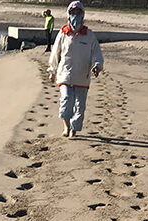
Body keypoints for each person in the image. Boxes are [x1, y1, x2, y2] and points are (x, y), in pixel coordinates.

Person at [47, 1, 103, 138]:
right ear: (68, 14)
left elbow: (97, 54)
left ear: (82, 15)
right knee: (66, 99)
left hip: (82, 77)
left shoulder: (89, 35)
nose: (75, 16)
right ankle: (66, 127)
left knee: (80, 106)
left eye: (78, 13)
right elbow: (56, 53)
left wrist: (97, 65)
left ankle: (74, 129)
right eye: (72, 13)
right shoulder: (63, 33)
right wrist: (52, 71)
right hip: (65, 74)